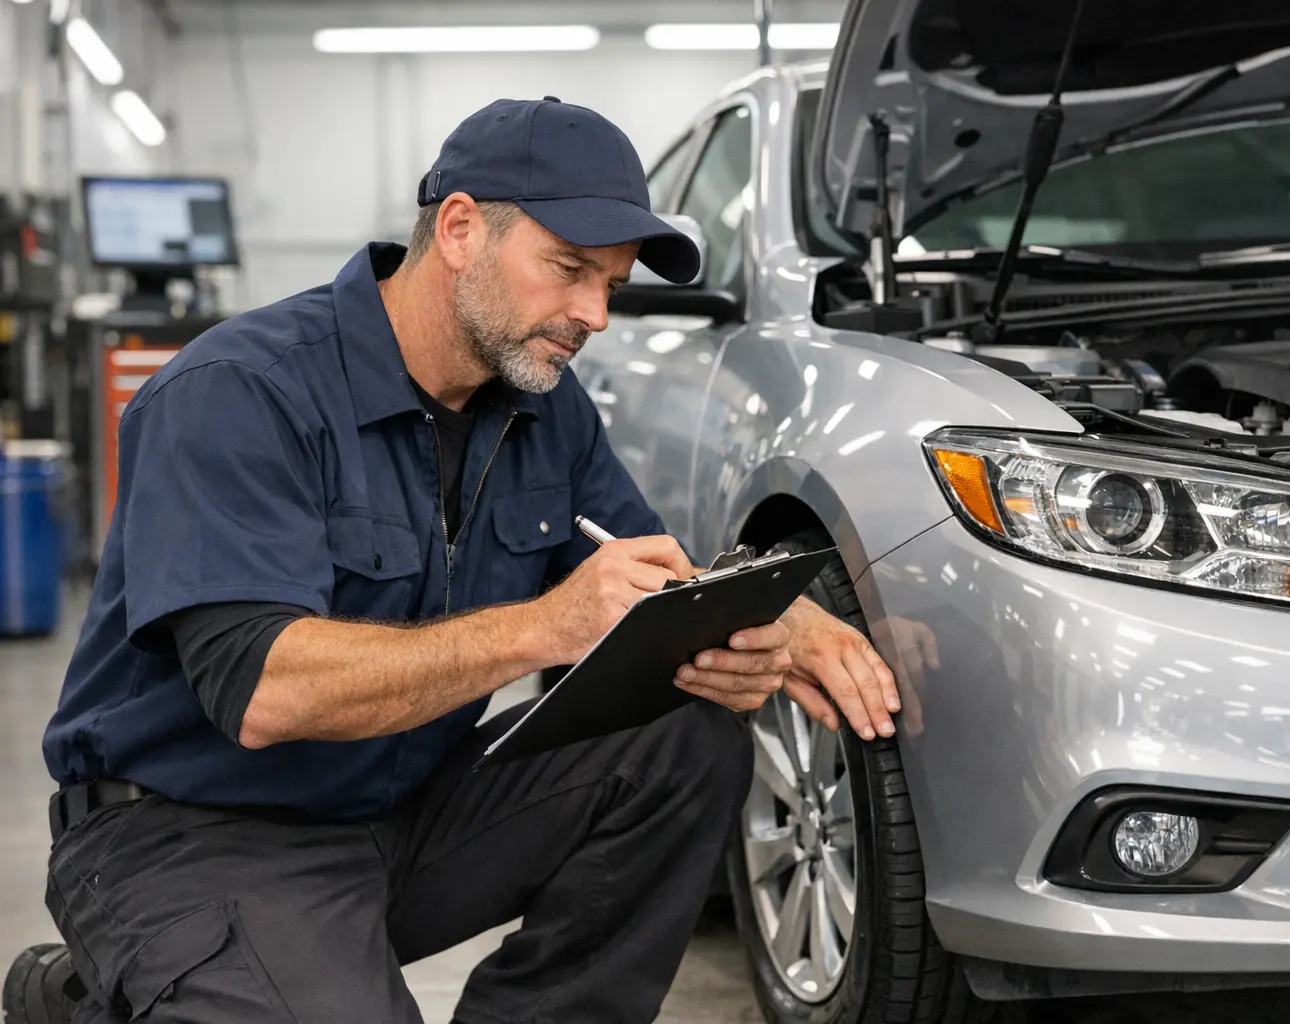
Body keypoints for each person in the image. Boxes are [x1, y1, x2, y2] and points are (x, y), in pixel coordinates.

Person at [14, 96, 902, 1024]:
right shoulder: (238, 394)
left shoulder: (543, 410)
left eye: (612, 282)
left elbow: (646, 589)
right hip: (192, 834)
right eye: (568, 270)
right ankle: (108, 984)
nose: (594, 313)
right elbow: (265, 692)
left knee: (682, 739)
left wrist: (755, 607)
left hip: (399, 816)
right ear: (461, 228)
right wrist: (547, 624)